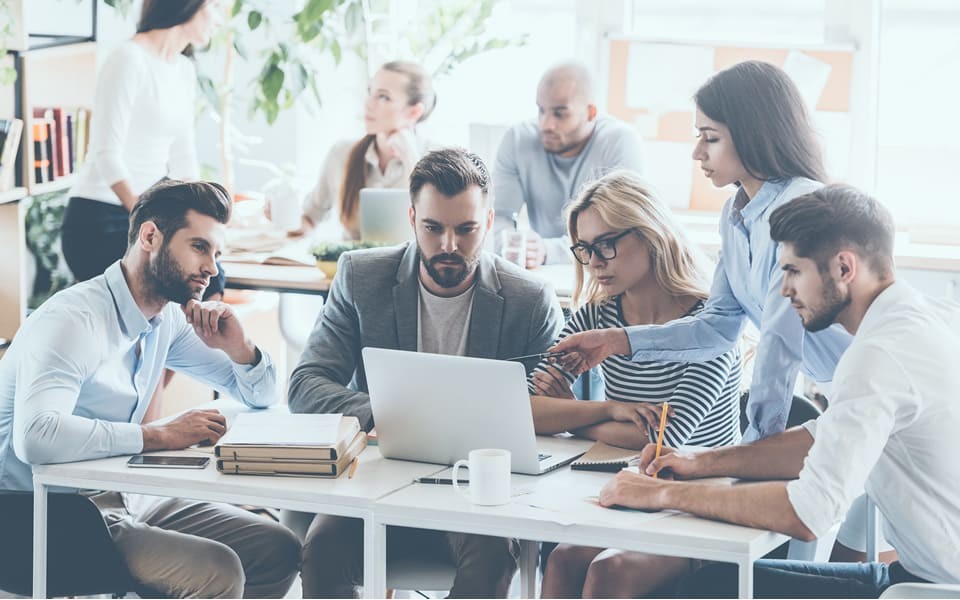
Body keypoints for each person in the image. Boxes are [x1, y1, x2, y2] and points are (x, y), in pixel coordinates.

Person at [598, 184, 960, 597]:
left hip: (932, 590)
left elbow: (809, 512)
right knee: (712, 584)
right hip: (914, 576)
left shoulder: (878, 356)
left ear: (844, 268)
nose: (784, 290)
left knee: (693, 592)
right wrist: (699, 461)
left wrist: (661, 493)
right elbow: (819, 439)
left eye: (792, 271)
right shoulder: (926, 318)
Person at [0, 180, 300, 598]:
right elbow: (36, 438)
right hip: (47, 517)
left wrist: (240, 348)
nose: (212, 267)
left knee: (278, 548)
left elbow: (261, 395)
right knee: (218, 570)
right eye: (199, 247)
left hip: (122, 494)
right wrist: (156, 435)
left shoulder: (166, 320)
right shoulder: (73, 320)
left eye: (216, 253)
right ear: (150, 236)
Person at [289, 148, 564, 598]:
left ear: (490, 222)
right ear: (412, 218)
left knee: (492, 555)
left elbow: (547, 417)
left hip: (478, 491)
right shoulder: (361, 278)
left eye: (466, 229)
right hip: (379, 479)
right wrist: (395, 414)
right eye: (433, 228)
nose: (448, 245)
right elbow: (305, 385)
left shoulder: (529, 300)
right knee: (321, 548)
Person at [552, 60, 850, 442]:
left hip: (876, 383)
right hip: (843, 390)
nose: (697, 153)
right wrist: (616, 341)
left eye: (710, 137)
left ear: (752, 135)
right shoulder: (736, 215)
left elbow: (780, 343)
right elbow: (716, 328)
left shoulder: (798, 210)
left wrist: (755, 448)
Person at [531, 170, 742, 598]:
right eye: (586, 249)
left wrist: (572, 417)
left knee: (612, 572)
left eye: (607, 244)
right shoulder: (596, 317)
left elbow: (660, 439)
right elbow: (529, 410)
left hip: (706, 499)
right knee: (562, 558)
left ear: (650, 236)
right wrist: (608, 410)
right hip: (629, 489)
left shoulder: (711, 328)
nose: (595, 262)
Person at [62, 0, 224, 299]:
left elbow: (183, 156)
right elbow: (106, 153)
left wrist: (207, 218)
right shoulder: (128, 58)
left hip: (147, 219)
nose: (219, 19)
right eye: (214, 6)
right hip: (101, 217)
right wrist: (150, 219)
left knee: (214, 280)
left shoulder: (184, 70)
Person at [493, 61, 645, 267]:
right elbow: (499, 215)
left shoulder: (621, 141)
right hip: (545, 272)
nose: (546, 125)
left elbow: (623, 231)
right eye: (541, 110)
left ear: (591, 113)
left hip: (605, 270)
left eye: (560, 113)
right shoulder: (517, 139)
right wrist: (513, 246)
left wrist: (548, 251)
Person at [295, 61, 436, 239]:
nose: (368, 104)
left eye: (384, 97)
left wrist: (410, 158)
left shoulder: (437, 159)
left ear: (414, 112)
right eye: (370, 92)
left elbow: (436, 229)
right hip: (351, 266)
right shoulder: (342, 154)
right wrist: (284, 220)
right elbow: (309, 217)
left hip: (411, 266)